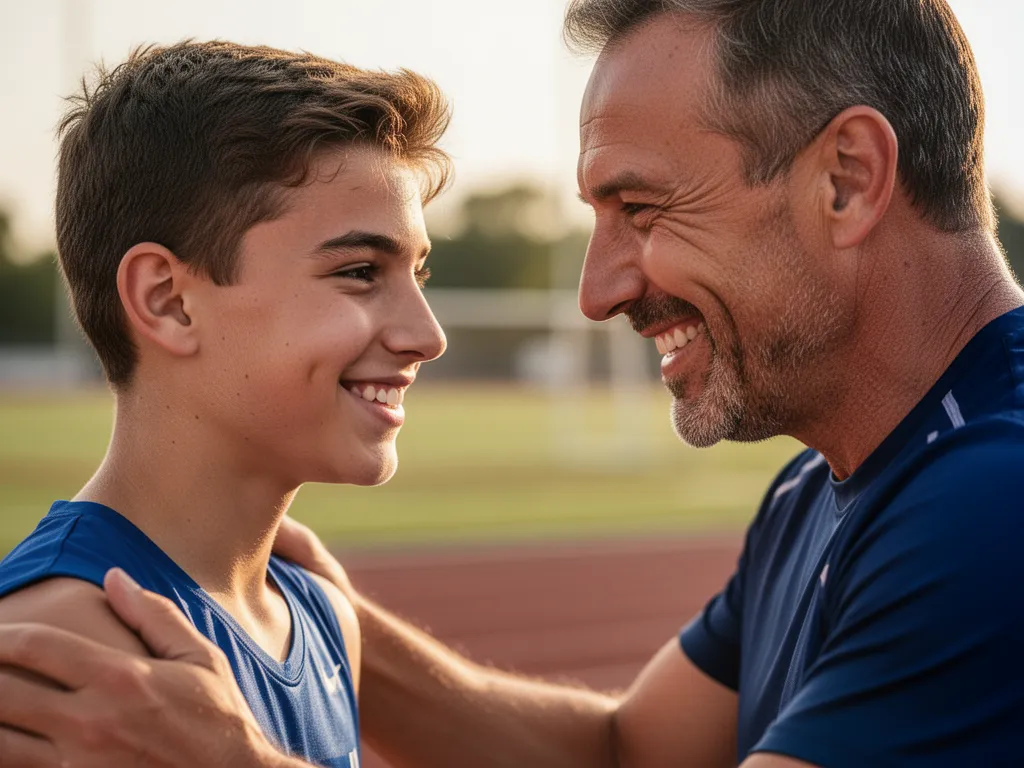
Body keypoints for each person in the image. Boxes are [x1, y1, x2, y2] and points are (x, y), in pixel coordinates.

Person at [2, 0, 1024, 765]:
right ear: (166, 301)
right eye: (361, 271)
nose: (596, 289)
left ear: (845, 179)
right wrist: (331, 638)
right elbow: (628, 755)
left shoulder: (990, 503)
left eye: (642, 208)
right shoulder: (835, 488)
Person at [0, 41, 451, 768]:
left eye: (417, 272)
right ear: (168, 301)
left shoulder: (322, 617)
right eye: (361, 272)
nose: (426, 336)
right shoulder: (60, 654)